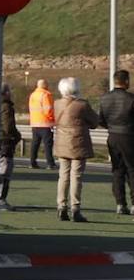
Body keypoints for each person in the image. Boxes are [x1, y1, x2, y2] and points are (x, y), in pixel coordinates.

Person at [53, 77, 99, 223]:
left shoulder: (57, 104)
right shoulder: (82, 105)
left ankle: (61, 206)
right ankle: (75, 208)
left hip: (62, 142)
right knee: (76, 176)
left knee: (63, 175)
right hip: (78, 142)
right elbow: (94, 122)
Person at [99, 69, 134, 216]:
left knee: (117, 170)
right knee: (132, 170)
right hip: (129, 136)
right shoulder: (131, 98)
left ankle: (120, 203)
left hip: (112, 136)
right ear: (126, 81)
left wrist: (111, 127)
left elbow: (101, 120)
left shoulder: (105, 98)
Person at [0, 83, 21, 211]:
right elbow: (8, 126)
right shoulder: (6, 107)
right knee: (5, 171)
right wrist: (16, 136)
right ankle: (0, 199)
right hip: (5, 142)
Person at [28, 79, 56, 169]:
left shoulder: (33, 95)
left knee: (35, 143)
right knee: (48, 144)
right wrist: (53, 120)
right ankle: (50, 163)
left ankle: (32, 162)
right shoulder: (46, 95)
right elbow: (48, 110)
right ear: (45, 85)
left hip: (34, 123)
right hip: (45, 123)